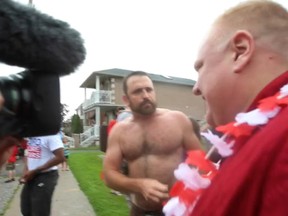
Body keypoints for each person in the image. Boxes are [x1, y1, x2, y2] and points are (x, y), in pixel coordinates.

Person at [189, 1, 288, 215]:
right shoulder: (261, 135)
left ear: (240, 52)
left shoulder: (282, 141)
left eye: (200, 67)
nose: (195, 88)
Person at [103, 71, 202, 216]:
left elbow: (200, 162)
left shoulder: (178, 120)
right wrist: (139, 185)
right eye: (137, 91)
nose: (145, 95)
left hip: (175, 209)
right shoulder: (119, 131)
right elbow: (109, 174)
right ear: (126, 100)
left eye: (149, 89)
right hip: (139, 210)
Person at [20, 133, 65, 216]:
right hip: (31, 176)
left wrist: (36, 171)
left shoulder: (51, 135)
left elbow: (60, 157)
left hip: (46, 176)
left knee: (40, 212)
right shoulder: (31, 136)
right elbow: (29, 154)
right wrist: (25, 171)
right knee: (26, 209)